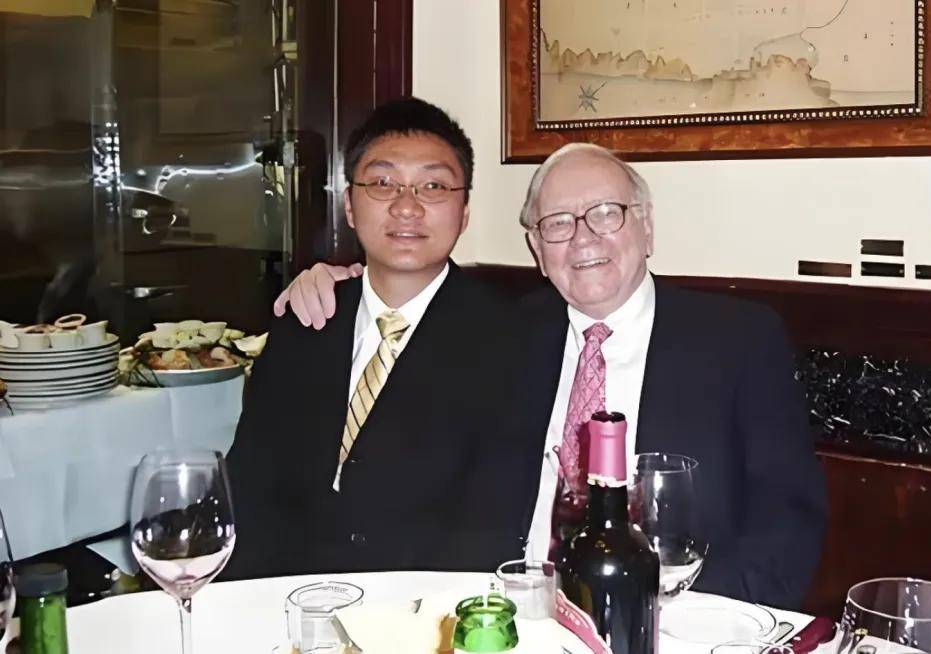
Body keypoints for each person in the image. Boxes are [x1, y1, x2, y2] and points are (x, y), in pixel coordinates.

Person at [276, 144, 826, 609]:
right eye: (558, 223)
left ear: (647, 227)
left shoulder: (737, 340)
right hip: (510, 612)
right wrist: (337, 282)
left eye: (606, 213)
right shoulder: (498, 334)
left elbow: (788, 522)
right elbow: (401, 299)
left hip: (676, 617)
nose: (583, 239)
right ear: (538, 250)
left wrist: (688, 623)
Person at [223, 97, 530, 580]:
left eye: (433, 186)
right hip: (287, 597)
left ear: (464, 211)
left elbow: (493, 520)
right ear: (349, 204)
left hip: (430, 606)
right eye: (383, 183)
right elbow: (249, 488)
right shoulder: (305, 321)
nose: (407, 206)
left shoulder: (512, 339)